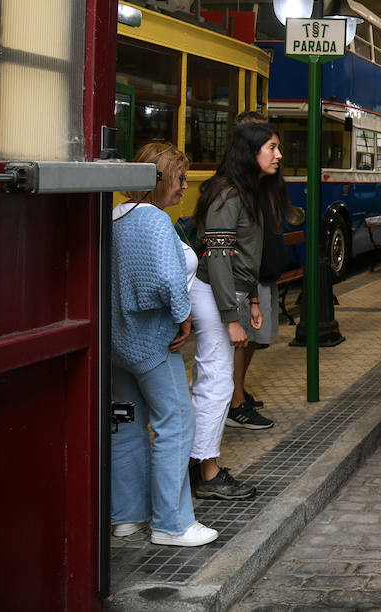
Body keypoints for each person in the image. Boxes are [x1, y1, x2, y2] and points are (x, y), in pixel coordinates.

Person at [109, 143, 219, 547]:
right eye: (179, 178)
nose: (185, 186)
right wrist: (183, 316)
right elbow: (170, 281)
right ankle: (172, 524)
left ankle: (125, 517)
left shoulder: (113, 217)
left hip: (117, 343)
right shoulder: (153, 219)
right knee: (177, 424)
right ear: (156, 180)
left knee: (125, 424)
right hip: (154, 343)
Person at [188, 121, 284, 500]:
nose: (278, 156)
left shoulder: (245, 192)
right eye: (272, 148)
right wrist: (231, 318)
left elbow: (243, 257)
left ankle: (197, 466)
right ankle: (206, 473)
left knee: (216, 383)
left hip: (232, 296)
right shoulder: (228, 195)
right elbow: (217, 259)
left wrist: (253, 302)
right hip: (216, 297)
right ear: (252, 151)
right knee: (216, 386)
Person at [223, 111, 291, 432]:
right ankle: (234, 401)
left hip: (263, 275)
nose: (277, 154)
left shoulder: (266, 184)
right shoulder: (234, 191)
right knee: (242, 342)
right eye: (269, 146)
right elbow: (226, 248)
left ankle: (237, 392)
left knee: (253, 342)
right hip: (245, 282)